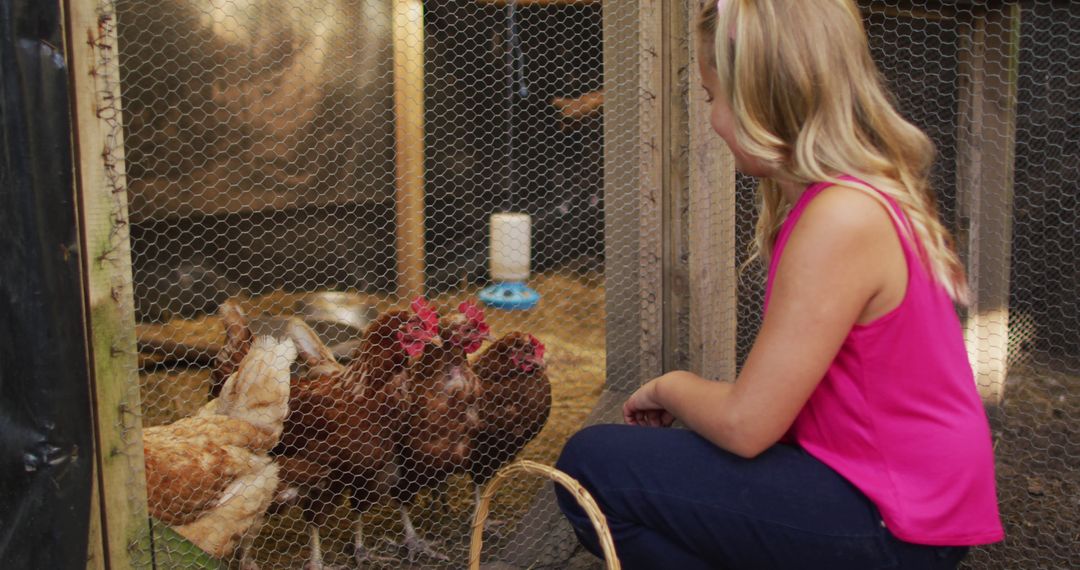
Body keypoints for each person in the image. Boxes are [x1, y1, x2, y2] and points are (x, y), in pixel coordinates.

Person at [554, 1, 1005, 568]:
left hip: (893, 517)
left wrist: (669, 387)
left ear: (761, 98)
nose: (714, 120)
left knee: (590, 467)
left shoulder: (841, 217)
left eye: (714, 97)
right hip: (893, 494)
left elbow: (747, 426)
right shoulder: (857, 197)